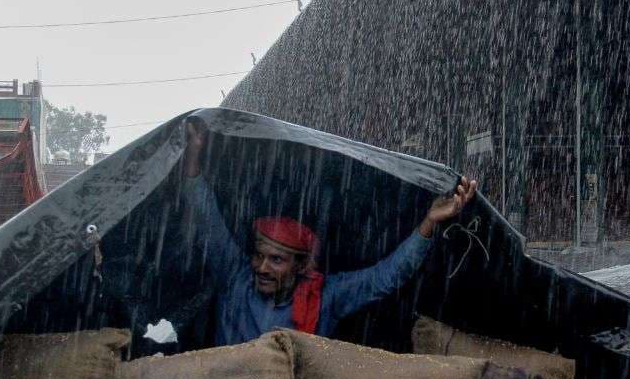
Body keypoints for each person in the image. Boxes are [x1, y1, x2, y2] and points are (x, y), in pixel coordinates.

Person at [176, 120, 478, 346]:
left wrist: (429, 220)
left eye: (276, 260)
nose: (261, 267)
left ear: (301, 265)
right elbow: (207, 217)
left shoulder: (326, 295)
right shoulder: (235, 277)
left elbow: (387, 276)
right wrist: (193, 155)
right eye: (259, 255)